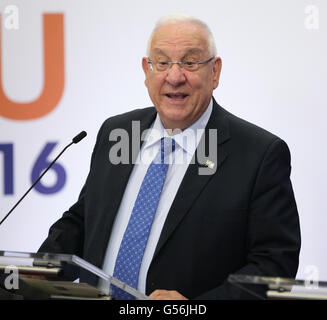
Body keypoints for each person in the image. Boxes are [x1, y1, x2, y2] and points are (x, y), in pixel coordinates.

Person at [39, 14, 301, 300]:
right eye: (162, 63)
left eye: (190, 62)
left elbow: (274, 268)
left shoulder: (257, 154)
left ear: (215, 72)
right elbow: (84, 220)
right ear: (146, 70)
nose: (174, 77)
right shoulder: (119, 132)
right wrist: (35, 271)